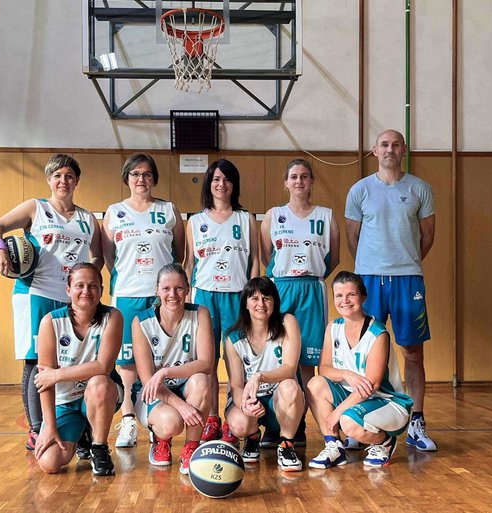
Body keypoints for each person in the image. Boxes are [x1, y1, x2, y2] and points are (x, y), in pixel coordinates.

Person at [0, 154, 103, 451]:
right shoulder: (35, 208)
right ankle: (37, 428)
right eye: (57, 176)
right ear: (49, 180)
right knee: (35, 360)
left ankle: (78, 427)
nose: (63, 181)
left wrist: (86, 281)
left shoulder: (88, 218)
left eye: (68, 176)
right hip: (34, 291)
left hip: (70, 298)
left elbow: (98, 256)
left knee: (72, 360)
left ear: (76, 180)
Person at [344, 129, 437, 451]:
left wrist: (403, 261)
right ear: (374, 150)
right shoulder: (359, 190)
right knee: (365, 354)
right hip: (369, 280)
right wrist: (373, 265)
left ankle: (417, 421)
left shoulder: (420, 189)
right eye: (384, 144)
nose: (390, 149)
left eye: (396, 144)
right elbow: (352, 238)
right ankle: (360, 419)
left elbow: (427, 237)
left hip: (408, 279)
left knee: (412, 351)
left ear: (404, 150)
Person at [102, 154, 185, 449]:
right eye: (135, 174)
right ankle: (127, 420)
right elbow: (109, 257)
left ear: (154, 178)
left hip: (161, 295)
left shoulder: (168, 209)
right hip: (127, 293)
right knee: (127, 364)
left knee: (159, 359)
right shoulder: (114, 212)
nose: (141, 179)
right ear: (127, 178)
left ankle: (153, 419)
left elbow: (180, 253)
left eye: (147, 174)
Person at [260, 158, 340, 447]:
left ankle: (304, 427)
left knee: (308, 363)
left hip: (311, 288)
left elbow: (334, 258)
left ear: (311, 181)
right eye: (293, 176)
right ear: (285, 182)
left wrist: (310, 273)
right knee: (279, 359)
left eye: (304, 176)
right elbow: (265, 256)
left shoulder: (326, 216)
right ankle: (276, 424)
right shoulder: (274, 215)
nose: (299, 181)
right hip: (281, 288)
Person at [184, 159, 259, 445]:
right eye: (216, 179)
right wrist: (189, 300)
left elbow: (254, 261)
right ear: (208, 183)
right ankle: (213, 419)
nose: (221, 184)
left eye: (227, 179)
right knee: (208, 361)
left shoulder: (246, 219)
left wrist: (251, 294)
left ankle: (234, 416)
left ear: (233, 184)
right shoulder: (195, 221)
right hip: (205, 295)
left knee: (235, 359)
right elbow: (189, 263)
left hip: (237, 295)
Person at [306, 271, 413, 468]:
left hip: (385, 401)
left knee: (348, 422)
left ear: (363, 296)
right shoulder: (334, 327)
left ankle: (384, 441)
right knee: (315, 384)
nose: (344, 301)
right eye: (339, 295)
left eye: (351, 295)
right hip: (354, 395)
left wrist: (337, 412)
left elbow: (371, 384)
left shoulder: (377, 333)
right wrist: (347, 374)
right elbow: (324, 368)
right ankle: (334, 446)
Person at [33, 263, 123, 475]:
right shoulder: (51, 322)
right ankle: (81, 434)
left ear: (101, 290)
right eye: (79, 285)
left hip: (100, 394)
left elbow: (103, 366)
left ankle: (99, 447)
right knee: (50, 463)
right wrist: (50, 427)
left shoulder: (113, 317)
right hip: (65, 402)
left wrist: (57, 374)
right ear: (68, 290)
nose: (86, 291)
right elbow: (44, 380)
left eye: (93, 286)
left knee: (99, 381)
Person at [132, 264, 214, 474]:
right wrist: (182, 406)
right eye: (166, 288)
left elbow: (206, 363)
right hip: (153, 394)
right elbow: (148, 379)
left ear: (188, 290)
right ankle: (161, 440)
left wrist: (165, 372)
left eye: (179, 288)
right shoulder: (141, 322)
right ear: (157, 290)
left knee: (202, 380)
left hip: (185, 385)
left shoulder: (200, 314)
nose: (173, 294)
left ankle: (191, 447)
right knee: (172, 423)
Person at [224, 277, 304, 472]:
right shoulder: (233, 337)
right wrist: (245, 403)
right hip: (252, 401)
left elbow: (289, 368)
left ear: (274, 302)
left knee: (290, 386)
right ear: (245, 303)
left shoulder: (287, 322)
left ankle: (286, 445)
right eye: (254, 298)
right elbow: (235, 384)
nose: (261, 304)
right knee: (239, 425)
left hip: (280, 400)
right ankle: (252, 438)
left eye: (266, 298)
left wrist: (259, 376)